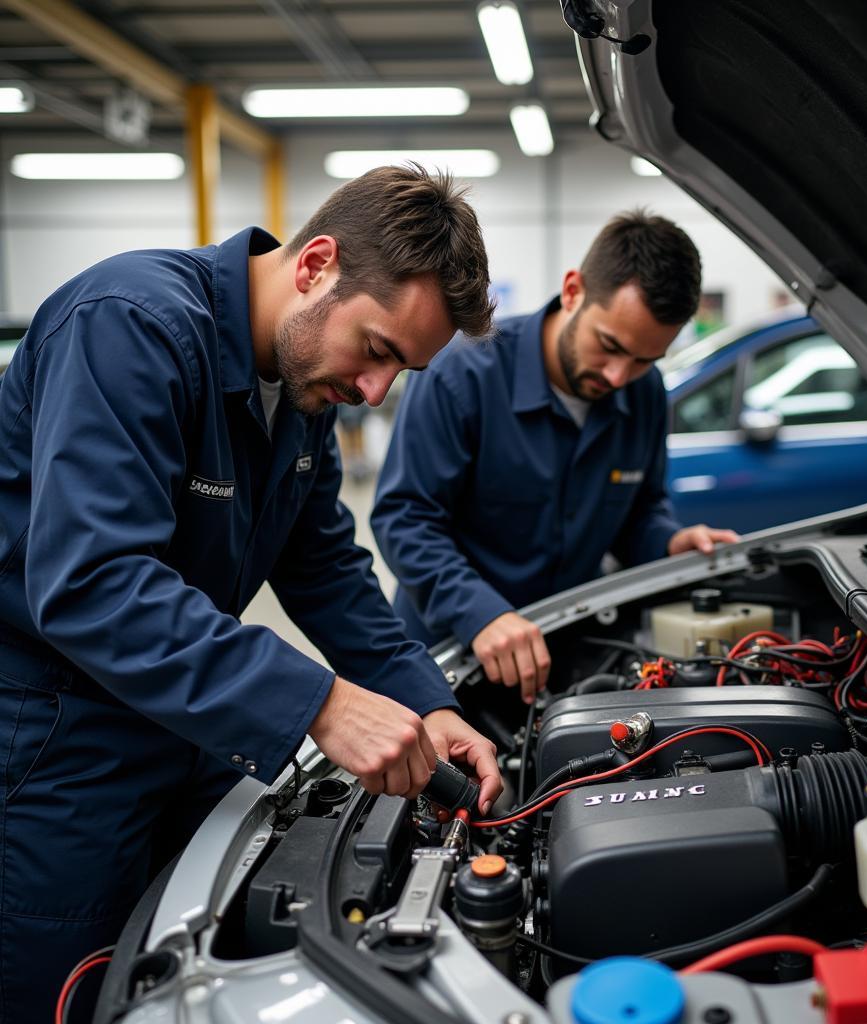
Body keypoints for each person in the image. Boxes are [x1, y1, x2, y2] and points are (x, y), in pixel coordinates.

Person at [0, 165, 502, 1023]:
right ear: (315, 265)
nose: (376, 392)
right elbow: (93, 583)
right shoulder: (131, 325)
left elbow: (326, 572)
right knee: (66, 990)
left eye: (401, 372)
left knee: (187, 966)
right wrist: (321, 704)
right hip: (57, 731)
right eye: (377, 350)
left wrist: (431, 704)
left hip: (185, 715)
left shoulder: (300, 392)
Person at [372, 211, 740, 704]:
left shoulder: (645, 393)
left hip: (567, 658)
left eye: (643, 360)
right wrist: (479, 612)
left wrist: (671, 542)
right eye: (609, 345)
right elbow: (405, 518)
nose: (617, 376)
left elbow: (641, 511)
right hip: (450, 658)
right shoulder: (463, 375)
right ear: (573, 291)